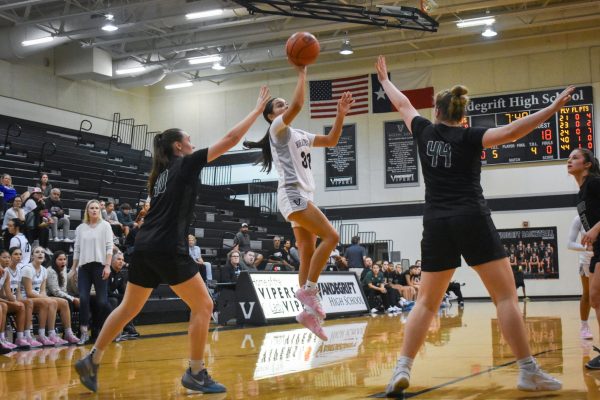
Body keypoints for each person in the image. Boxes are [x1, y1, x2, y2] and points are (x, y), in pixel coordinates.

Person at [375, 55, 569, 394]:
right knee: (506, 297)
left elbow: (403, 103)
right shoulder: (470, 137)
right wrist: (551, 108)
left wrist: (384, 81)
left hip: (436, 222)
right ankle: (527, 371)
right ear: (463, 117)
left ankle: (401, 369)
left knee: (425, 302)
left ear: (436, 112)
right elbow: (512, 131)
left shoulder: (422, 131)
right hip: (471, 217)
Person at [74, 86, 270, 394]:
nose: (193, 143)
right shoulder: (185, 163)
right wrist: (257, 112)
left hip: (145, 247)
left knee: (127, 308)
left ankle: (92, 358)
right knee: (204, 304)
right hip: (166, 246)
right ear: (179, 146)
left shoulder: (160, 174)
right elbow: (231, 140)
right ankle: (196, 371)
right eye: (189, 139)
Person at [243, 65, 353, 341]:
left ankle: (306, 312)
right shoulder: (278, 129)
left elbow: (332, 140)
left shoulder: (299, 133)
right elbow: (299, 103)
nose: (284, 106)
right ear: (271, 116)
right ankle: (310, 290)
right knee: (333, 236)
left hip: (303, 195)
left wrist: (340, 115)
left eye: (284, 104)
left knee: (306, 251)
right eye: (279, 105)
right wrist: (302, 72)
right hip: (293, 193)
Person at [567, 148, 600, 369]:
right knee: (595, 297)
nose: (569, 161)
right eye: (568, 158)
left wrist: (597, 228)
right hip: (597, 249)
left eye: (575, 158)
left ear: (587, 164)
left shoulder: (595, 183)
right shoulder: (581, 192)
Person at [72, 199, 114, 345]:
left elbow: (109, 247)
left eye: (97, 208)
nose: (95, 210)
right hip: (84, 268)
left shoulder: (105, 226)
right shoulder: (80, 228)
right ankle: (83, 332)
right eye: (92, 208)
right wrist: (73, 269)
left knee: (102, 302)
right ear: (87, 211)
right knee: (83, 298)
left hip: (100, 267)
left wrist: (108, 266)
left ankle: (97, 329)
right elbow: (76, 249)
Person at [21, 246, 79, 345]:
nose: (40, 254)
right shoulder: (27, 269)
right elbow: (29, 292)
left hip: (39, 298)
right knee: (51, 301)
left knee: (64, 302)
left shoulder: (43, 270)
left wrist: (44, 297)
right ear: (32, 256)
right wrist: (46, 298)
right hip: (26, 298)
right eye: (37, 252)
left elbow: (43, 291)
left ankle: (68, 333)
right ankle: (44, 335)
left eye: (42, 252)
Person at [2, 247, 40, 348]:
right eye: (15, 254)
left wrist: (18, 300)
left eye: (20, 254)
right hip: (4, 300)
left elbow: (18, 292)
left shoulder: (19, 270)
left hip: (10, 298)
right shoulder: (5, 270)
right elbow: (3, 294)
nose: (18, 256)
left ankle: (24, 336)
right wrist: (13, 301)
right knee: (9, 306)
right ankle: (4, 338)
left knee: (27, 303)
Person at [567, 215, 594, 340]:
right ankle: (584, 326)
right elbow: (570, 244)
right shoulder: (579, 219)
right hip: (586, 262)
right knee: (587, 294)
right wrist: (586, 247)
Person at [107, 251, 138, 338]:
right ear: (112, 261)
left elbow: (122, 292)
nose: (121, 261)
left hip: (111, 296)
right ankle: (115, 329)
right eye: (118, 259)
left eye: (122, 260)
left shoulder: (120, 274)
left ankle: (128, 328)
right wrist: (123, 297)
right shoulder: (107, 272)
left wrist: (127, 298)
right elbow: (107, 292)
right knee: (115, 300)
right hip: (100, 297)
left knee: (128, 300)